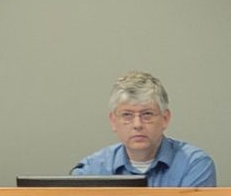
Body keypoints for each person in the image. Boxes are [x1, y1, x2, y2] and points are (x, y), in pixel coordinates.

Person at [72, 71, 215, 187]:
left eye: (147, 114)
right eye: (127, 115)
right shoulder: (91, 170)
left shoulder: (194, 165)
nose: (137, 124)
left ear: (165, 119)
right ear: (113, 121)